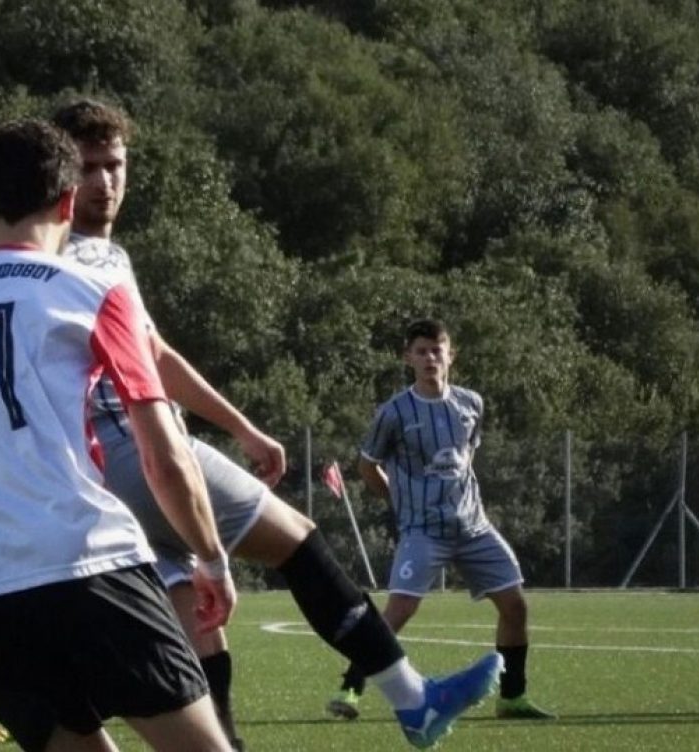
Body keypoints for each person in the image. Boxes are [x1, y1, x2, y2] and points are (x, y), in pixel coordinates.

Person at [50, 98, 503, 750]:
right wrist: (239, 431)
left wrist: (242, 427)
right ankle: (414, 700)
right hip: (135, 446)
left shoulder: (69, 254)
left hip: (100, 469)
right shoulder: (90, 259)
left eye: (114, 164)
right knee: (297, 541)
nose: (104, 181)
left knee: (201, 628)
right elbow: (150, 360)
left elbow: (156, 353)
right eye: (88, 167)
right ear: (60, 171)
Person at [0, 118, 238, 752]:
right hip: (88, 566)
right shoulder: (94, 293)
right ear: (68, 202)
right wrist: (211, 557)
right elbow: (163, 454)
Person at [325, 320, 556, 722]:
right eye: (421, 351)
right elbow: (366, 466)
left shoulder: (471, 403)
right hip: (423, 530)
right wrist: (399, 501)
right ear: (408, 358)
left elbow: (467, 455)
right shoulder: (394, 412)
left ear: (451, 355)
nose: (430, 358)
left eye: (437, 350)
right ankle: (351, 687)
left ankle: (512, 697)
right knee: (399, 610)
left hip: (473, 527)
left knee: (515, 606)